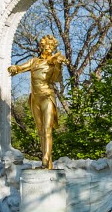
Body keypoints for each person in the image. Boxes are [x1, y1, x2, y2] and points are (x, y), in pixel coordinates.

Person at [7, 35, 67, 169]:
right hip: (35, 99)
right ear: (41, 47)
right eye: (46, 46)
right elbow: (21, 68)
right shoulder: (34, 61)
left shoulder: (54, 62)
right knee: (40, 131)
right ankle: (47, 162)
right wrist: (14, 68)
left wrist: (58, 64)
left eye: (51, 47)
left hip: (47, 97)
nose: (49, 48)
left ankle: (46, 157)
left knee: (47, 129)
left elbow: (56, 78)